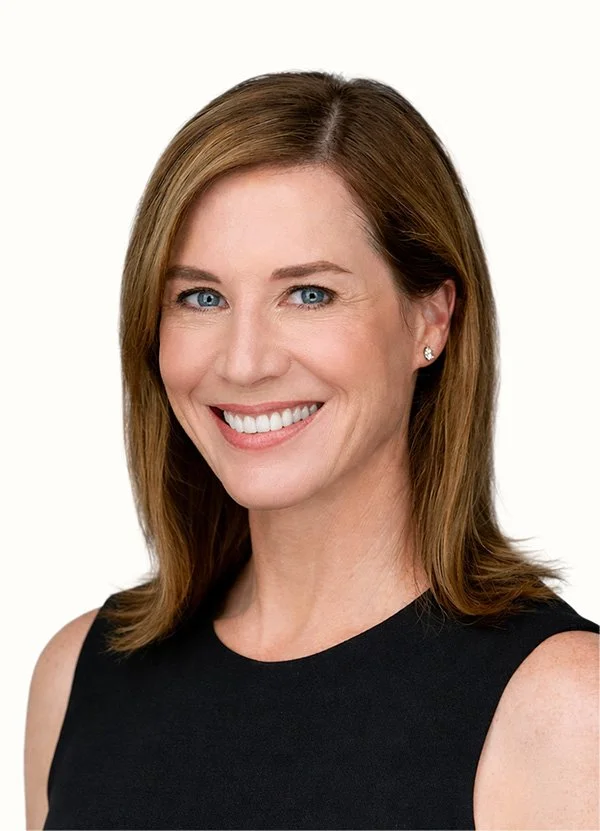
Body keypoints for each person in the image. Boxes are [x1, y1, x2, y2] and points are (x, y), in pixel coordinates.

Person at [25, 70, 598, 831]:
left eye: (308, 294)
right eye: (201, 297)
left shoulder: (562, 710)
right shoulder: (78, 678)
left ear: (431, 318)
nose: (244, 361)